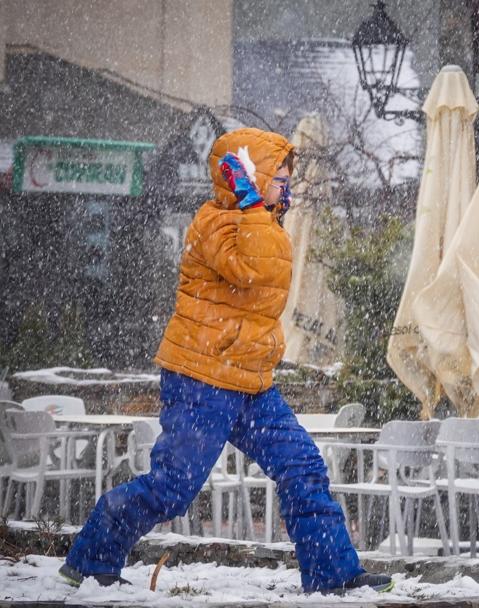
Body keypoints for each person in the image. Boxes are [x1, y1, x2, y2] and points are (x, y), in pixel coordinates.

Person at [59, 128, 392, 596]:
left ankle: (333, 574)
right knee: (173, 488)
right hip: (203, 377)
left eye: (285, 179)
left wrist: (259, 210)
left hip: (252, 382)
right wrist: (253, 206)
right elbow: (254, 272)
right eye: (277, 177)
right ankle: (92, 557)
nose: (285, 187)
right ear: (250, 178)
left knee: (302, 467)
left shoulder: (261, 223)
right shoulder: (214, 221)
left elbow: (270, 267)